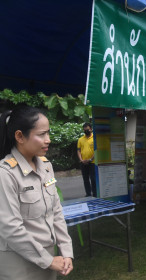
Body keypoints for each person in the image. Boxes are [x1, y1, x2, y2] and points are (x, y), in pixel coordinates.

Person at [0, 106, 73, 279]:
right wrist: (47, 260)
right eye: (41, 134)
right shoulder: (6, 173)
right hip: (19, 265)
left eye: (48, 133)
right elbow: (10, 228)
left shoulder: (46, 166)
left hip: (49, 258)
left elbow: (56, 212)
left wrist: (66, 251)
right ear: (19, 136)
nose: (48, 140)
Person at [77, 122, 97, 197]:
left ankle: (95, 194)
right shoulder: (80, 139)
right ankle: (88, 194)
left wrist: (90, 159)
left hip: (92, 162)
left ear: (91, 129)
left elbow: (96, 150)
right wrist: (81, 160)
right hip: (83, 162)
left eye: (87, 129)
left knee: (93, 179)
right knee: (85, 179)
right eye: (84, 130)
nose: (86, 131)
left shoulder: (94, 138)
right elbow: (78, 150)